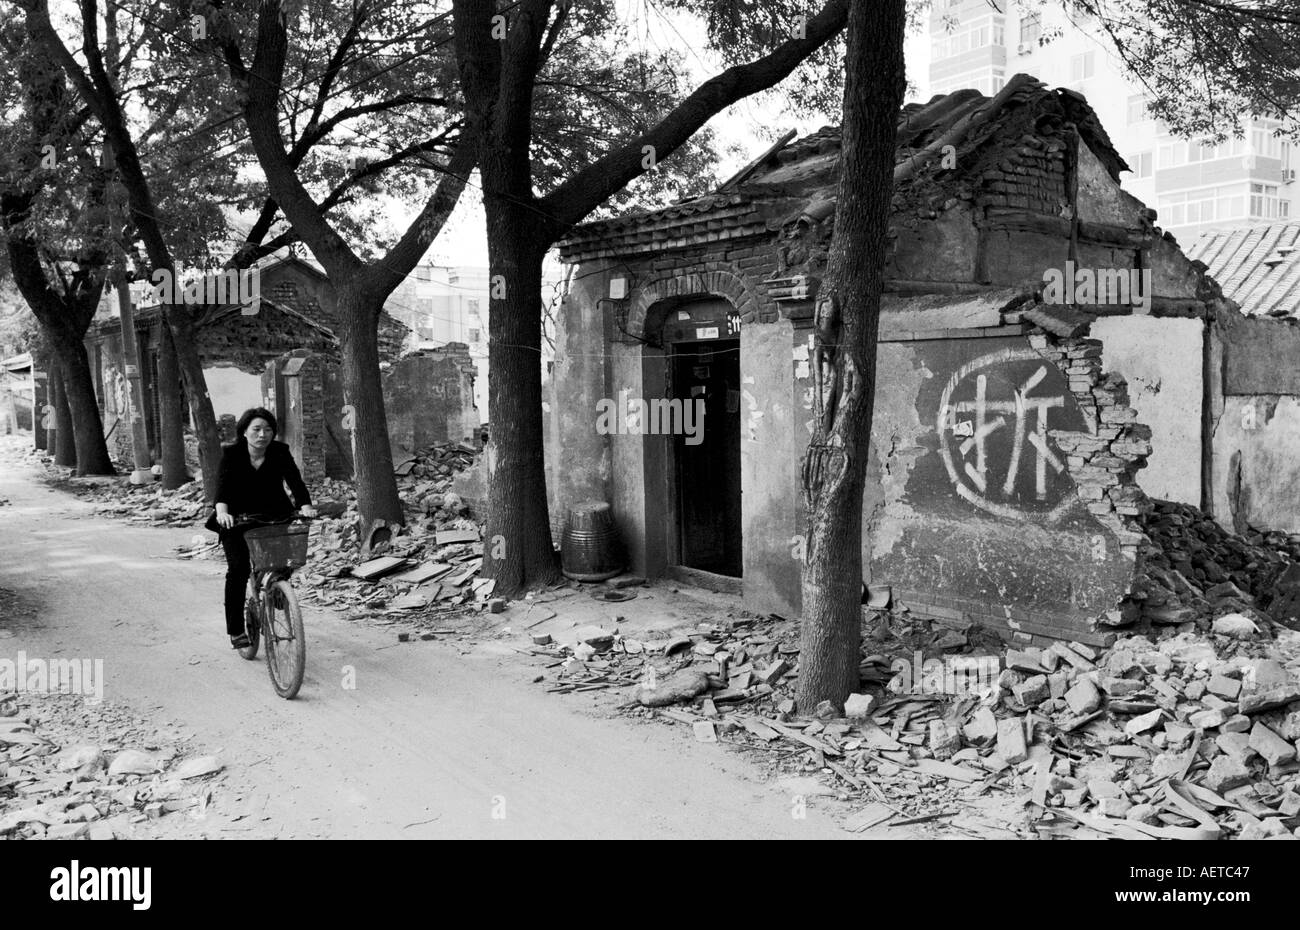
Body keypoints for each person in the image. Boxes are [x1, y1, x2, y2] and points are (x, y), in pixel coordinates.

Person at [204, 408, 316, 649]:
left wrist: (305, 505)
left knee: (282, 563)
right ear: (244, 432)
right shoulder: (232, 454)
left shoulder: (280, 451)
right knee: (239, 568)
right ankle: (236, 630)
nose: (262, 434)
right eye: (256, 429)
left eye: (267, 430)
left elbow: (294, 481)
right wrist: (222, 512)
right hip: (236, 519)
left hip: (273, 515)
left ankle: (277, 589)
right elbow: (222, 486)